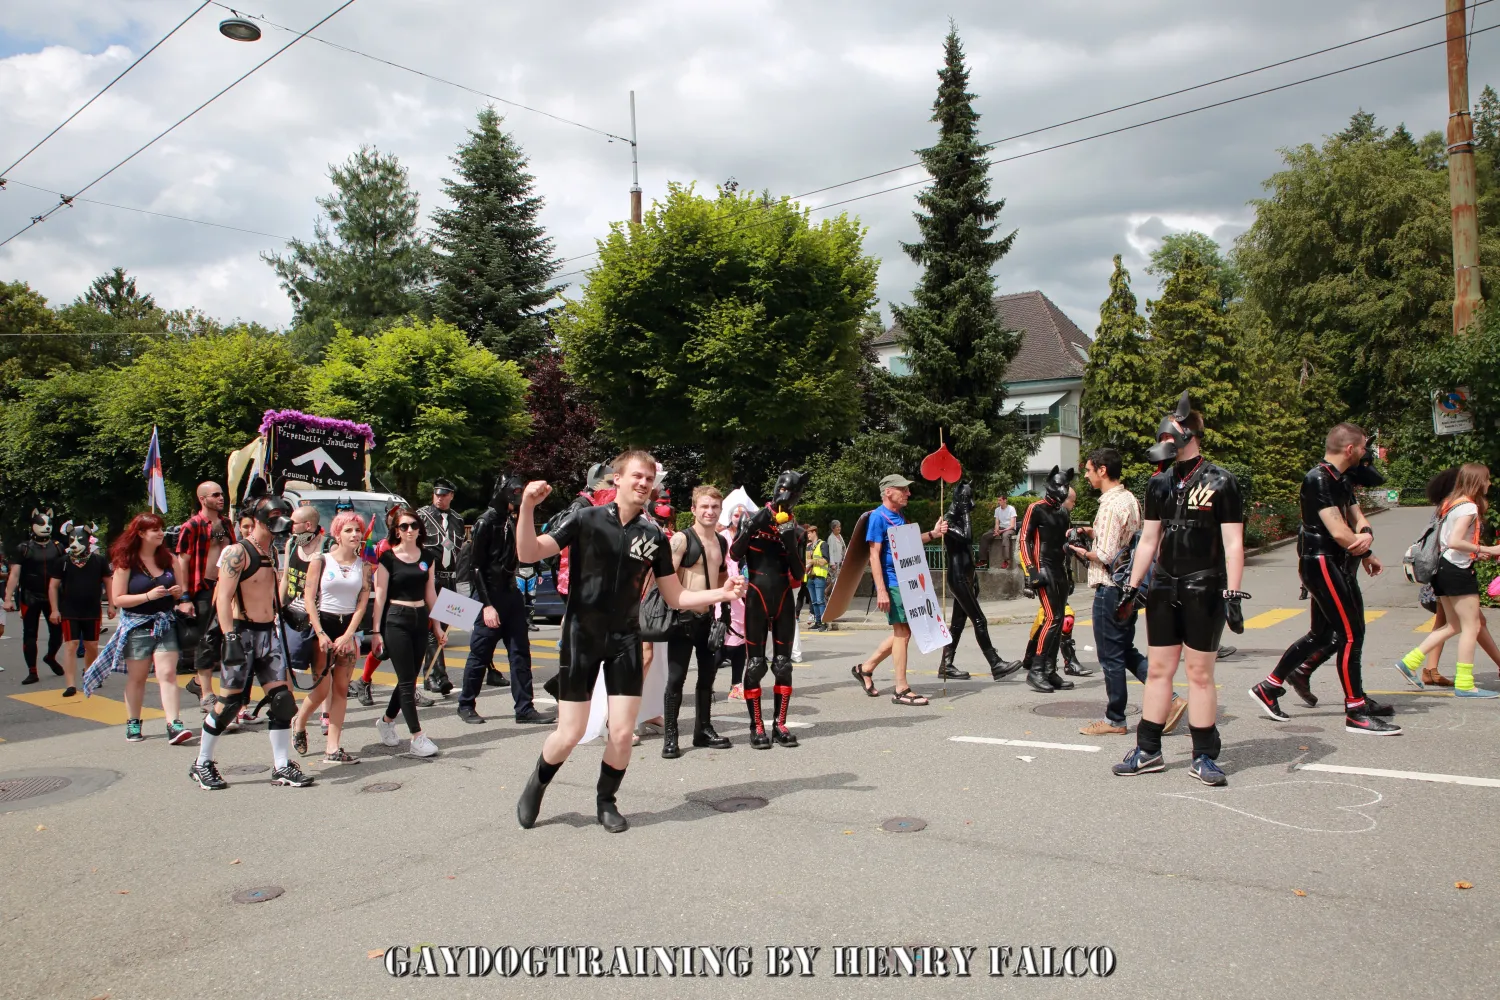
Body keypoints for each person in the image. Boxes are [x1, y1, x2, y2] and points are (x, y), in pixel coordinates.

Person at [512, 450, 747, 833]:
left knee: (622, 733)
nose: (644, 483)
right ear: (617, 479)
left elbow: (676, 596)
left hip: (625, 639)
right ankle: (536, 784)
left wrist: (722, 593)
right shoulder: (584, 519)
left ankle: (606, 801)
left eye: (649, 479)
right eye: (637, 476)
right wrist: (527, 507)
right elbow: (528, 552)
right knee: (569, 733)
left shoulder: (653, 535)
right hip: (582, 637)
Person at [1112, 392, 1246, 786]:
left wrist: (1232, 593)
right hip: (1163, 586)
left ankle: (1204, 755)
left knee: (1199, 673)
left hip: (1205, 585)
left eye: (1169, 436)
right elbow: (1148, 540)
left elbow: (1233, 543)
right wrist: (1131, 587)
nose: (1164, 442)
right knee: (1158, 670)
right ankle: (1148, 750)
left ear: (1190, 434)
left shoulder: (1222, 481)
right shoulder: (1159, 484)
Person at [1252, 425, 1401, 731]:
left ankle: (1269, 687)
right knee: (1350, 635)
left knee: (1322, 635)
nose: (1366, 453)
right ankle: (1356, 710)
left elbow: (1357, 519)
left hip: (1335, 562)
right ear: (1350, 449)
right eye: (1364, 447)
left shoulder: (1341, 479)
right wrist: (1363, 545)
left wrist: (1366, 542)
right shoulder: (1318, 478)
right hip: (1321, 562)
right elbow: (1339, 531)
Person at [189, 488, 314, 789]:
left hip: (268, 634)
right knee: (229, 704)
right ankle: (202, 763)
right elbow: (223, 597)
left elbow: (268, 592)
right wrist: (230, 635)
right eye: (275, 515)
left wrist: (285, 612)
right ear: (259, 518)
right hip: (242, 633)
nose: (281, 521)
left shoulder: (271, 551)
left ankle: (281, 766)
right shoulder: (237, 552)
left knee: (282, 701)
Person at [1072, 448, 1184, 737]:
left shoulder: (1110, 505)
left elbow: (1106, 554)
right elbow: (1126, 540)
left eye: (1088, 470)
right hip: (1128, 587)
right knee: (1124, 649)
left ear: (1102, 470)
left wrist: (1079, 551)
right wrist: (1091, 532)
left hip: (1109, 587)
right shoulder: (1130, 500)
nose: (1086, 476)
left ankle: (1115, 719)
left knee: (1110, 656)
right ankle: (1171, 699)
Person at [81, 513, 194, 745]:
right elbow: (118, 599)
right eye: (155, 530)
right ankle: (133, 721)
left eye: (161, 529)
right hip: (137, 625)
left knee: (167, 674)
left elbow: (181, 589)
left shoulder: (169, 559)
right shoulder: (126, 562)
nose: (161, 533)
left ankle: (174, 724)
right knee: (138, 677)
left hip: (165, 623)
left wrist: (177, 594)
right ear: (141, 533)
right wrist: (147, 596)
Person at [1395, 463, 1499, 698]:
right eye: (1487, 479)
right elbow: (1454, 541)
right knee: (1472, 626)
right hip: (1457, 571)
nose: (1489, 483)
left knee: (1453, 625)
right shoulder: (1469, 507)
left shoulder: (1450, 504)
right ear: (1477, 481)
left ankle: (1409, 662)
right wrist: (1487, 549)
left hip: (1442, 569)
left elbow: (1448, 542)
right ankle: (1465, 684)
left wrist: (1474, 552)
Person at [458, 475, 553, 725]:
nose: (517, 497)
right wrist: (487, 605)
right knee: (480, 654)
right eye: (515, 492)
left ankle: (525, 707)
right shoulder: (485, 522)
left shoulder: (511, 520)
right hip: (489, 595)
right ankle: (466, 704)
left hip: (511, 593)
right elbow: (475, 567)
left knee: (520, 653)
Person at [849, 474, 948, 706]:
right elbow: (874, 555)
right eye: (903, 489)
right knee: (902, 631)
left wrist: (933, 534)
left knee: (904, 632)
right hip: (893, 582)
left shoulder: (899, 516)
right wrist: (881, 591)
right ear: (888, 492)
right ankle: (901, 689)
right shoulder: (878, 517)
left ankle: (865, 668)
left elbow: (908, 542)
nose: (908, 493)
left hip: (907, 581)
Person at [729, 470, 810, 746]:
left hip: (784, 597)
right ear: (775, 488)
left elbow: (798, 575)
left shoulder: (798, 531)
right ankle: (757, 726)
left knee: (783, 665)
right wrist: (752, 526)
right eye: (782, 489)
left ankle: (780, 724)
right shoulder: (752, 519)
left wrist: (790, 544)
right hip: (757, 597)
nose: (784, 496)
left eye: (792, 492)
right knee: (755, 666)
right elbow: (735, 554)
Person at [289, 510, 369, 762]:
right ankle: (299, 722)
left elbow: (362, 603)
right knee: (322, 690)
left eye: (357, 530)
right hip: (323, 627)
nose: (354, 534)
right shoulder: (321, 561)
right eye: (348, 530)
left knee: (342, 689)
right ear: (337, 534)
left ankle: (333, 748)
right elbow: (308, 599)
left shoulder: (364, 565)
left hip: (347, 630)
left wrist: (349, 635)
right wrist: (321, 633)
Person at [661, 485, 734, 758]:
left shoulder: (722, 542)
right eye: (704, 506)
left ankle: (703, 729)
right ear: (693, 509)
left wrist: (725, 610)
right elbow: (665, 578)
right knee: (676, 679)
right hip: (682, 619)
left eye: (714, 507)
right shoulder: (682, 539)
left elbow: (722, 578)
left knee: (707, 678)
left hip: (708, 620)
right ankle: (671, 736)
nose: (709, 511)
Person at [371, 506, 446, 755]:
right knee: (406, 682)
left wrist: (437, 625)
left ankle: (386, 721)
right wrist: (376, 631)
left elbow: (430, 592)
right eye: (404, 526)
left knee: (409, 678)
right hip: (396, 619)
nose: (410, 530)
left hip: (420, 618)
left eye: (414, 525)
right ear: (396, 531)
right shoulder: (388, 558)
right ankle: (417, 737)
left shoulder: (427, 557)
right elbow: (380, 596)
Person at [938, 480, 1022, 681]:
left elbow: (967, 549)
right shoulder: (948, 520)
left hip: (966, 577)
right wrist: (965, 512)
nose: (971, 504)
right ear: (960, 499)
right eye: (967, 499)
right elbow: (966, 537)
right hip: (958, 577)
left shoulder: (959, 517)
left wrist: (973, 577)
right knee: (979, 620)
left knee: (958, 623)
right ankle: (995, 663)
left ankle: (946, 664)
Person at [174, 482, 235, 712]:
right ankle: (207, 693)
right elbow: (182, 562)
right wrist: (184, 597)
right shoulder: (191, 526)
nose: (221, 498)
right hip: (203, 589)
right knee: (206, 640)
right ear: (202, 499)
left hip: (227, 587)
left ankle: (200, 683)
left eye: (222, 494)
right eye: (215, 495)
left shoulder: (227, 524)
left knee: (228, 638)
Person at [1017, 468, 1078, 694]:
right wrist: (1030, 570)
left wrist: (1069, 573)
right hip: (1044, 568)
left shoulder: (1063, 513)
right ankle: (1036, 670)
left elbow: (1065, 546)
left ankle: (1050, 670)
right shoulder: (1036, 508)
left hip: (1059, 569)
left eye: (1065, 486)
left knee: (1059, 620)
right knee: (1052, 618)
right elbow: (1024, 540)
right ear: (1050, 485)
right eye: (1060, 485)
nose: (1063, 490)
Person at [48, 521, 113, 698]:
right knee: (71, 645)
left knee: (91, 645)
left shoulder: (99, 561)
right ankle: (70, 684)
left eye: (79, 539)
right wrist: (54, 609)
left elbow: (108, 582)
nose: (75, 543)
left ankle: (89, 673)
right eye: (72, 540)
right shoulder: (62, 562)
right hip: (70, 609)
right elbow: (53, 586)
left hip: (92, 609)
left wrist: (112, 605)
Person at [5, 509, 66, 684]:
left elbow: (66, 571)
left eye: (49, 524)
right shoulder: (24, 548)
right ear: (33, 525)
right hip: (30, 595)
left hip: (54, 596)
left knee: (57, 632)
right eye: (41, 523)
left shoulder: (58, 547)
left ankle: (51, 657)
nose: (46, 527)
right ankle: (32, 671)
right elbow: (14, 574)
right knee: (30, 634)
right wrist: (8, 598)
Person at [418, 478, 464, 696]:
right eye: (437, 494)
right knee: (431, 628)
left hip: (449, 578)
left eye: (444, 495)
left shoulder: (457, 519)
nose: (439, 498)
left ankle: (433, 675)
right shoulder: (422, 516)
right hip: (431, 579)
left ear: (451, 496)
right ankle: (436, 676)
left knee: (443, 629)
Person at [719, 504, 749, 701]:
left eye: (743, 515)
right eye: (736, 515)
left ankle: (736, 685)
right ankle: (707, 682)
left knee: (741, 642)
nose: (739, 518)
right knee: (721, 641)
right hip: (724, 593)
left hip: (745, 593)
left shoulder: (750, 538)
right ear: (730, 517)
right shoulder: (722, 538)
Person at [804, 524, 830, 631]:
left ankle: (824, 623)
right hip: (810, 576)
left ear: (814, 532)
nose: (808, 536)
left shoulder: (823, 544)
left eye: (809, 533)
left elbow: (825, 560)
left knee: (820, 601)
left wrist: (812, 561)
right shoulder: (809, 546)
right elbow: (806, 561)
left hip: (819, 575)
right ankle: (818, 622)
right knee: (814, 601)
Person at [980, 495, 1017, 569]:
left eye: (1000, 500)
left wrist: (1002, 531)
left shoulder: (1011, 509)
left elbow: (1012, 526)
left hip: (1009, 529)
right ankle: (983, 560)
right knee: (985, 536)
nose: (998, 502)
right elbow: (997, 523)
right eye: (998, 500)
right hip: (1000, 528)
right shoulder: (997, 510)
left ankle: (1006, 561)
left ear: (1005, 500)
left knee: (1005, 536)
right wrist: (997, 530)